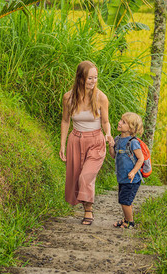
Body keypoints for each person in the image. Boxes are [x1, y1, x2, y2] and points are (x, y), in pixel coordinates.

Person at [59, 61, 114, 225]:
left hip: (96, 141)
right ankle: (84, 207)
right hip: (75, 140)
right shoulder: (68, 97)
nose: (93, 81)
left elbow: (105, 122)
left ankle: (88, 211)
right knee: (76, 177)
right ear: (81, 78)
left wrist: (108, 134)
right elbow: (65, 121)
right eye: (90, 78)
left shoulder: (101, 97)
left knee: (86, 177)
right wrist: (62, 144)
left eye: (96, 78)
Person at [109, 112, 144, 229]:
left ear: (131, 128)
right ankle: (126, 219)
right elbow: (113, 155)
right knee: (125, 200)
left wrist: (133, 171)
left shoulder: (133, 142)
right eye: (120, 120)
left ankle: (130, 223)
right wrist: (110, 146)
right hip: (122, 177)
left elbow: (140, 159)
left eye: (123, 122)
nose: (119, 123)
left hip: (132, 180)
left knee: (125, 202)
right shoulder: (118, 139)